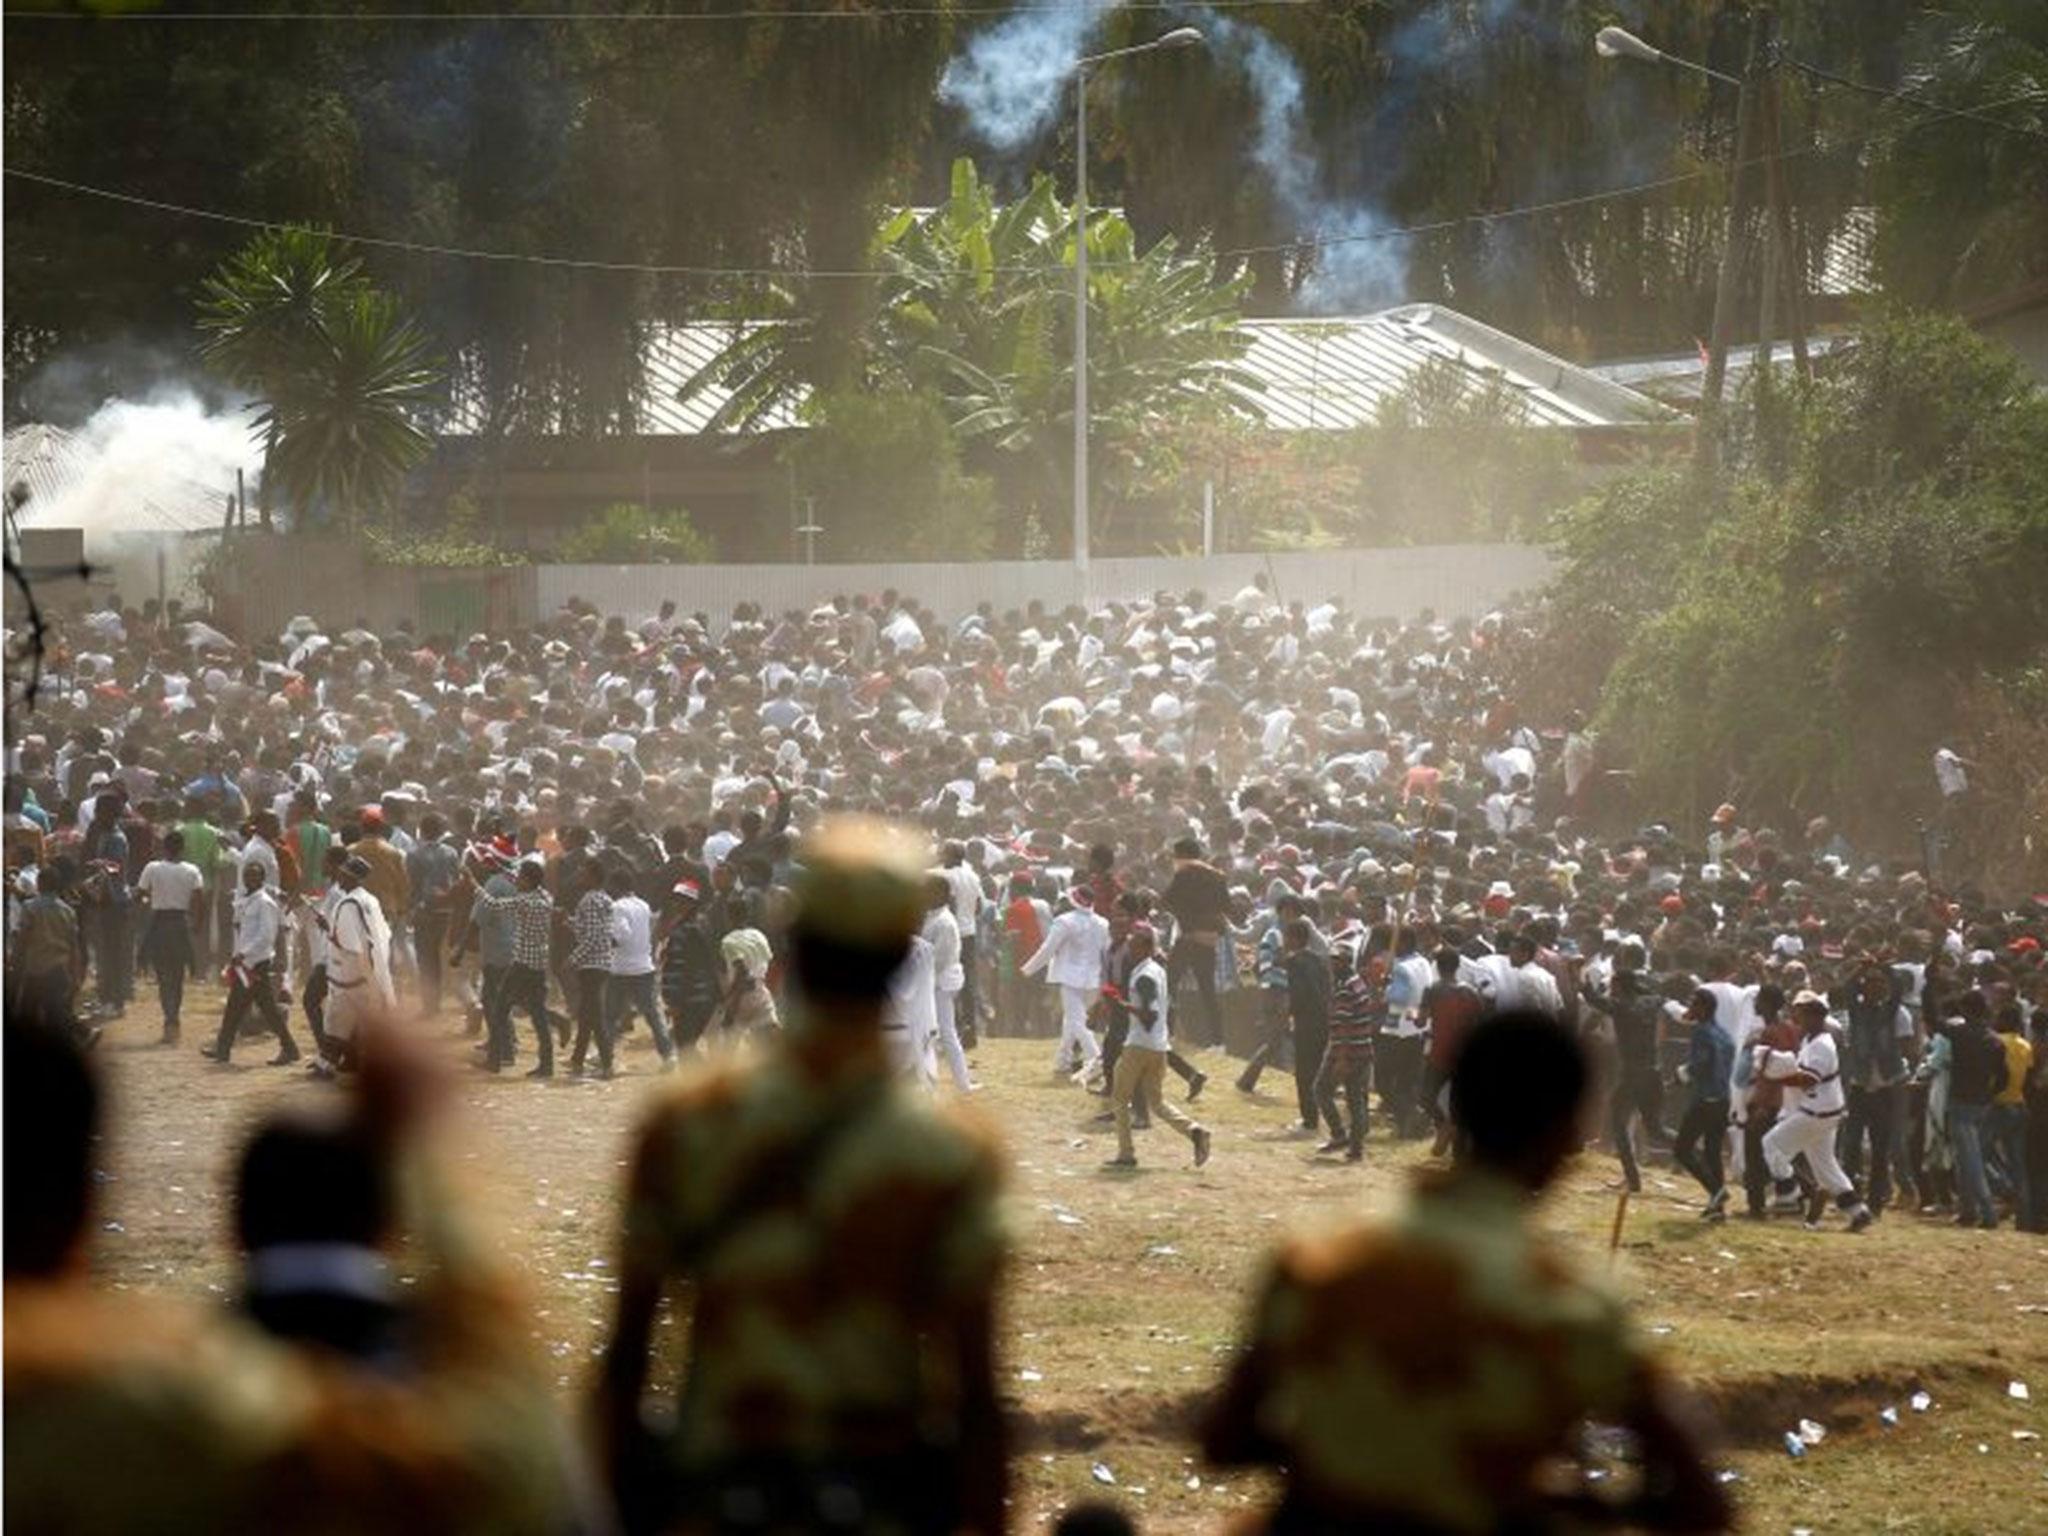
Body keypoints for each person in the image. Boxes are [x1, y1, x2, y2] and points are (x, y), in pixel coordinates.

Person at [596, 817, 1007, 1536]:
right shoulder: (949, 1152)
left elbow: (629, 1350)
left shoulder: (692, 1118)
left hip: (719, 1489)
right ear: (895, 957)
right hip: (878, 1492)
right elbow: (976, 1391)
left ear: (795, 946)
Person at [1203, 1011, 1732, 1535]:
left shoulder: (1319, 1254)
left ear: (1458, 1103)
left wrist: (1350, 1457)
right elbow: (1702, 1501)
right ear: (1571, 1130)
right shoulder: (1574, 1300)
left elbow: (1223, 1440)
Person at [1754, 991, 1876, 1231]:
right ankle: (1858, 1212)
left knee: (1771, 1144)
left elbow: (1809, 1079)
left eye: (1800, 1012)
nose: (1794, 1015)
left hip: (1817, 1112)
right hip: (1825, 1110)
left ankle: (1787, 1194)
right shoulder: (1810, 1039)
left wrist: (1777, 1076)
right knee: (1825, 1165)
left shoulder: (1822, 1044)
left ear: (1814, 1016)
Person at [1102, 925, 1212, 1171]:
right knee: (1157, 1102)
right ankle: (1195, 1131)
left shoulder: (1144, 977)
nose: (1129, 951)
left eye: (1133, 946)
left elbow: (1148, 1015)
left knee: (1119, 1098)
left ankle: (1126, 1153)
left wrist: (1120, 1004)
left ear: (1145, 947)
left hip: (1139, 1045)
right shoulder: (1157, 970)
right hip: (1159, 1046)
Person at [205, 859, 299, 1067]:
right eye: (247, 876)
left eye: (254, 876)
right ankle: (289, 1048)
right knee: (259, 1009)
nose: (250, 879)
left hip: (255, 964)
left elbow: (266, 935)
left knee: (240, 1008)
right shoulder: (249, 900)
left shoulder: (264, 903)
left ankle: (223, 1050)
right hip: (247, 963)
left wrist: (243, 954)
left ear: (262, 879)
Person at [1021, 887, 1111, 1084]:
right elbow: (1106, 953)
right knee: (1072, 1021)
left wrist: (1028, 969)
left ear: (1072, 902)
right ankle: (1063, 1060)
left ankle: (1097, 1059)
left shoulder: (1064, 922)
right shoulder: (1103, 923)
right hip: (1094, 979)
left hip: (1070, 978)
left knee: (1077, 1022)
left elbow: (1047, 950)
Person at [134, 828, 204, 1043]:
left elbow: (140, 894)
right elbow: (199, 901)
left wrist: (145, 907)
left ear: (164, 847)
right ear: (183, 848)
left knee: (163, 976)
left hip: (159, 924)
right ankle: (174, 1016)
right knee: (178, 975)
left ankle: (169, 1016)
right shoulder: (192, 871)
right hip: (181, 924)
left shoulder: (152, 868)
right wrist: (196, 925)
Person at [1161, 837, 1231, 1047]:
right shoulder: (1218, 876)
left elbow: (1167, 901)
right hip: (1208, 939)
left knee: (1168, 983)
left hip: (1189, 937)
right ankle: (1218, 1041)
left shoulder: (1184, 873)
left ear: (1180, 856)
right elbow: (1225, 905)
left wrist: (1187, 923)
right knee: (1207, 990)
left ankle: (1168, 1032)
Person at [606, 865, 677, 1069]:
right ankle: (668, 1056)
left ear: (616, 886)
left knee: (610, 1015)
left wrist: (605, 941)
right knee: (653, 1015)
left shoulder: (618, 907)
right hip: (644, 967)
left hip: (621, 969)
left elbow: (621, 935)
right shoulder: (643, 905)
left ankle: (606, 1055)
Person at [1672, 988, 1734, 1221]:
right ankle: (1717, 1209)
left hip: (1705, 1099)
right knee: (1712, 1152)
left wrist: (1681, 1076)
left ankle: (1716, 1191)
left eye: (1693, 1004)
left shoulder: (1701, 1032)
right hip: (1723, 1098)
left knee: (1682, 1149)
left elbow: (1701, 1063)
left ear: (1704, 1008)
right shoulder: (1724, 1034)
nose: (1689, 1009)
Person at [1313, 938, 1374, 1161]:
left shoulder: (1345, 989)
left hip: (1347, 1050)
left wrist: (1341, 1058)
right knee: (1355, 1098)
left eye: (1338, 961)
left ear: (1347, 962)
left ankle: (1340, 1136)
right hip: (1362, 1048)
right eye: (1332, 960)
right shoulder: (1357, 982)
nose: (1333, 964)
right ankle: (1355, 1147)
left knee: (1321, 1090)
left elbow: (1344, 1026)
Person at [405, 811, 460, 1017]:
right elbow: (455, 879)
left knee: (426, 959)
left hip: (425, 910)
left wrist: (410, 908)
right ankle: (440, 1001)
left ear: (423, 830)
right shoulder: (451, 852)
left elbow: (412, 886)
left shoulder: (414, 854)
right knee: (439, 958)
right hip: (446, 911)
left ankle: (430, 1005)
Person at [1281, 917, 1332, 1137]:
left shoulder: (1294, 962)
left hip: (1306, 1022)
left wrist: (1289, 1013)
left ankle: (1309, 1120)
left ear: (1295, 938)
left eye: (1287, 936)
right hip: (1323, 1021)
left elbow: (1299, 994)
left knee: (1304, 1072)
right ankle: (1320, 1116)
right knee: (1319, 1070)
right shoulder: (1320, 960)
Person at [924, 874, 975, 1092]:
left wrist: (920, 983)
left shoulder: (944, 922)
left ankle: (962, 1084)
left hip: (941, 983)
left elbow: (939, 961)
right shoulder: (932, 916)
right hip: (934, 981)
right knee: (937, 1033)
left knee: (945, 1032)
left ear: (941, 895)